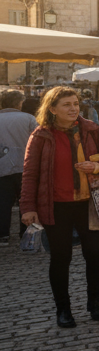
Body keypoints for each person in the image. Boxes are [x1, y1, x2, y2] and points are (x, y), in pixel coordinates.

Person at [19, 86, 99, 328]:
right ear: (52, 109)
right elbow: (30, 174)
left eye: (75, 103)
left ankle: (95, 301)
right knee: (61, 258)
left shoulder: (92, 130)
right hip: (56, 205)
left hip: (90, 203)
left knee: (95, 254)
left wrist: (96, 168)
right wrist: (27, 207)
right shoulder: (41, 136)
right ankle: (63, 308)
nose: (73, 108)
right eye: (66, 104)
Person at [0, 90, 37, 244]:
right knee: (26, 201)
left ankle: (3, 235)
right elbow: (38, 141)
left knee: (3, 202)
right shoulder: (28, 118)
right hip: (26, 166)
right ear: (18, 103)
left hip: (2, 167)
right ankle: (26, 233)